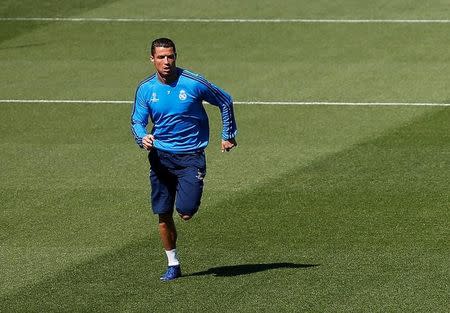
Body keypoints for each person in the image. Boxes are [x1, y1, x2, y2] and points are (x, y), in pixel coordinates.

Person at [131, 38, 237, 281]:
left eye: (170, 56)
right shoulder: (146, 88)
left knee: (186, 212)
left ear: (176, 56)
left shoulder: (193, 82)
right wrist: (141, 137)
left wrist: (227, 135)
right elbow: (137, 120)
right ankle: (173, 263)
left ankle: (191, 189)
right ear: (152, 59)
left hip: (190, 156)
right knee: (163, 213)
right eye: (161, 57)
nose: (166, 61)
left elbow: (225, 100)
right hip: (160, 156)